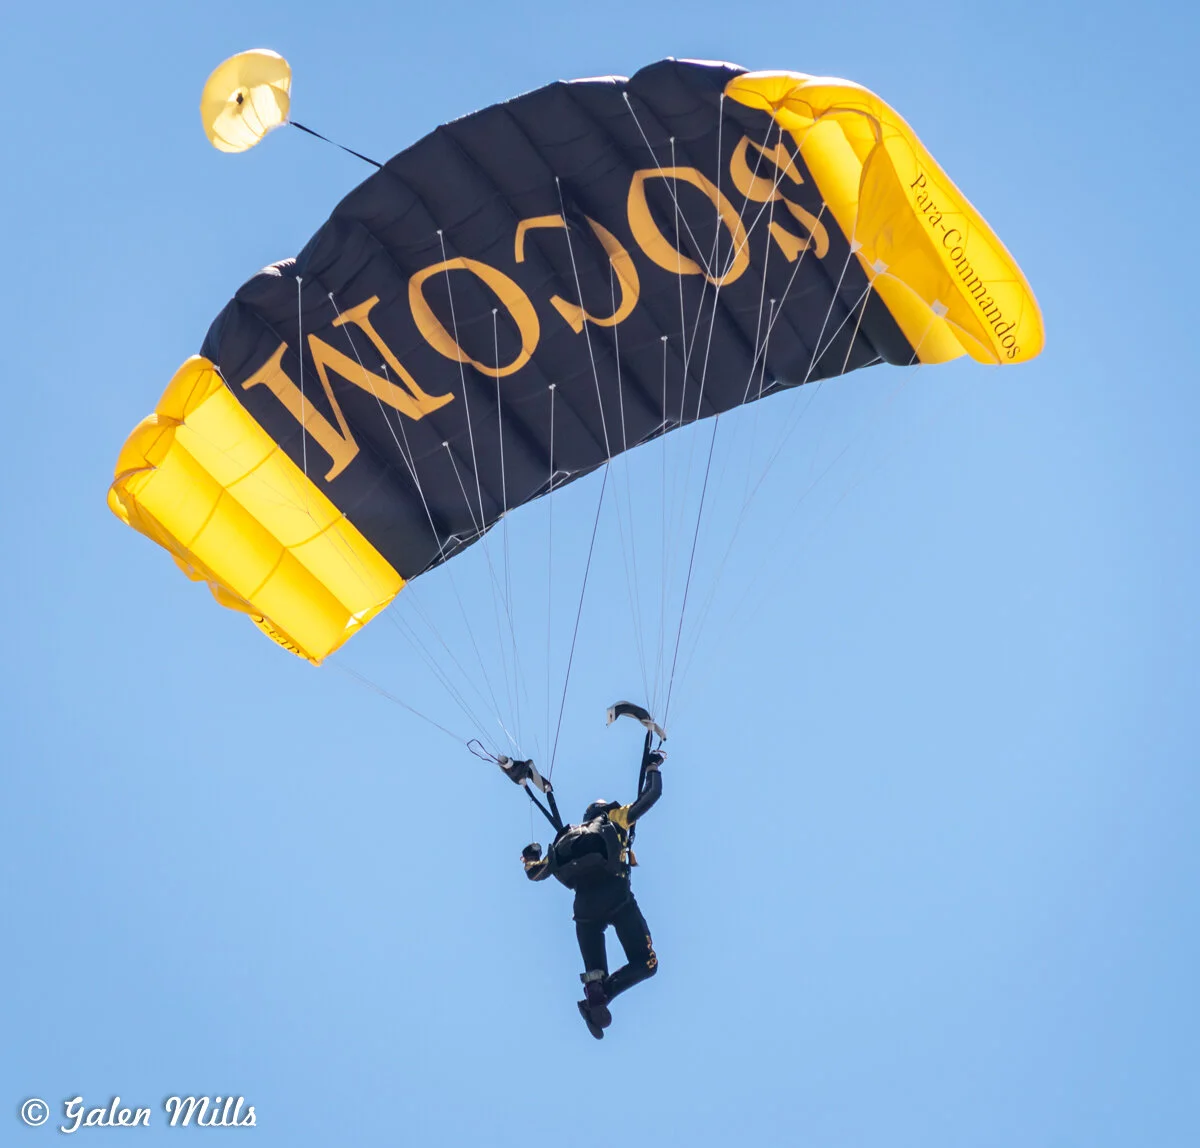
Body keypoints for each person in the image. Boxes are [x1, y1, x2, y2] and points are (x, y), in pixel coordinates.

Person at [521, 748, 665, 1039]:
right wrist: (652, 767)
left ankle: (596, 995)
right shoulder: (615, 818)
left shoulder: (568, 839)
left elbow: (534, 873)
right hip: (616, 896)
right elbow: (652, 796)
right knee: (646, 964)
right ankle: (599, 994)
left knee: (596, 979)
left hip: (584, 909)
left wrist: (530, 854)